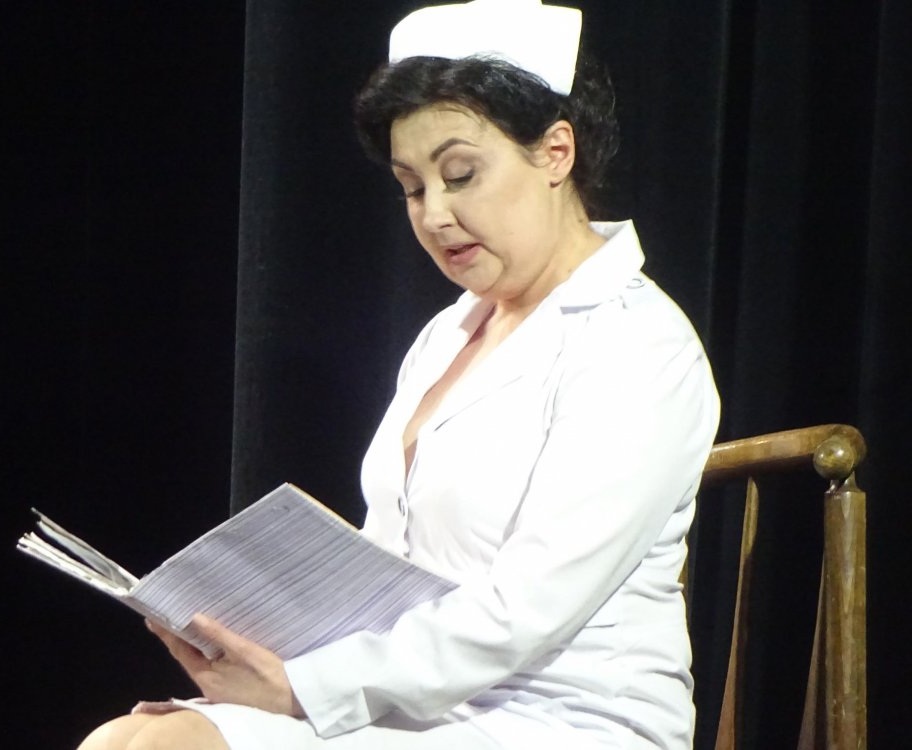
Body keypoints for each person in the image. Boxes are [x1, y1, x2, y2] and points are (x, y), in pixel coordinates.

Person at [77, 2, 720, 748]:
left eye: (461, 175)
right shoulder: (447, 335)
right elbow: (382, 575)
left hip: (569, 721)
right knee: (122, 739)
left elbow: (528, 609)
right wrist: (263, 652)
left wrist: (302, 689)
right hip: (412, 711)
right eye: (413, 188)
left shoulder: (636, 343)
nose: (435, 214)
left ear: (555, 152)